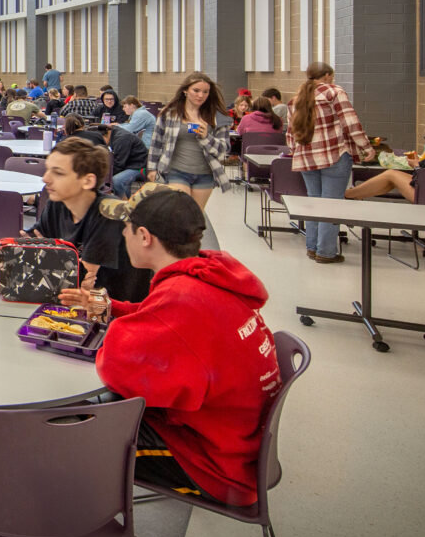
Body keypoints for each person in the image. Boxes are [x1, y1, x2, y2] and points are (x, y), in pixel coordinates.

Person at [58, 189, 281, 507]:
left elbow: (116, 369)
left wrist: (116, 330)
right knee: (103, 410)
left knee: (66, 434)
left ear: (144, 236)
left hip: (212, 466)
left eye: (127, 227)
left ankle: (67, 527)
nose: (123, 233)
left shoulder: (183, 298)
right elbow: (167, 324)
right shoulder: (205, 275)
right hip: (235, 442)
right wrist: (112, 309)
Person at [34, 138, 152, 302]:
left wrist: (47, 255)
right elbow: (29, 244)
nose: (45, 178)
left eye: (58, 173)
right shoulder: (57, 204)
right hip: (76, 301)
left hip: (114, 309)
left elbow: (82, 279)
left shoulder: (109, 213)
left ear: (88, 181)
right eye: (47, 170)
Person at [285, 61, 375, 263]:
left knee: (313, 203)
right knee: (331, 205)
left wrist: (296, 151)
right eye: (331, 77)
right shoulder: (334, 92)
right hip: (333, 155)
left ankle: (312, 247)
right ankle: (326, 252)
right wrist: (366, 147)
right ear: (326, 76)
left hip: (306, 158)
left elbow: (290, 134)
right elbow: (350, 121)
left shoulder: (296, 99)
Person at [344, 112, 425, 203]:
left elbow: (417, 183)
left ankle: (348, 195)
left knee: (391, 175)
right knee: (392, 178)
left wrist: (417, 166)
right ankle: (355, 194)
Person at [147, 72, 233, 210]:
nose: (200, 95)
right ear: (185, 91)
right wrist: (152, 168)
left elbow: (223, 149)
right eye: (196, 90)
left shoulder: (218, 117)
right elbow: (156, 141)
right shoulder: (169, 113)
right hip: (176, 171)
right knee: (181, 212)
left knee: (195, 218)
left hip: (205, 174)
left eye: (205, 92)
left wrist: (206, 137)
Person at [65, 117, 149, 199]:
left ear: (104, 135)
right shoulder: (114, 134)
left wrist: (103, 177)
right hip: (128, 164)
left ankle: (124, 204)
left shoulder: (122, 139)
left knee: (117, 180)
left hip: (138, 167)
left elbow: (119, 164)